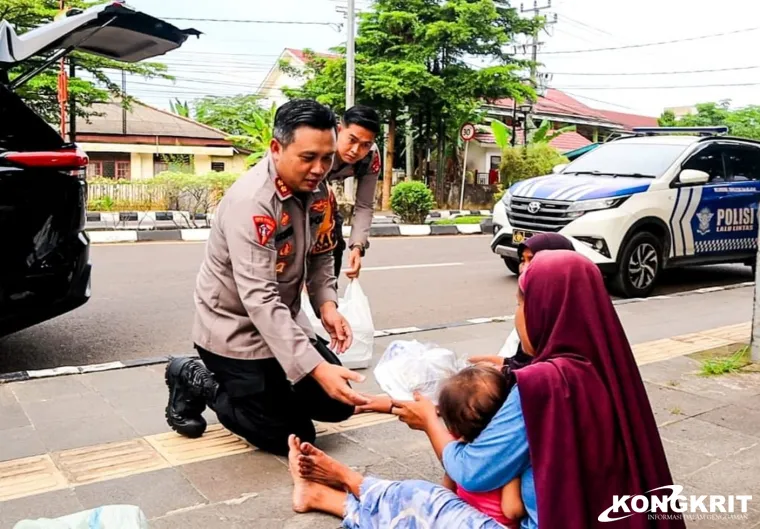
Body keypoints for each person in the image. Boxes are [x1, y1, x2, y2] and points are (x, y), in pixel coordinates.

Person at [287, 251, 684, 528]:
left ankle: (336, 492)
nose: (517, 316)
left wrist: (429, 422)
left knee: (427, 502)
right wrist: (394, 404)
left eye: (522, 303)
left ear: (547, 308)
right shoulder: (608, 368)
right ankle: (341, 486)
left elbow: (471, 471)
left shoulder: (546, 384)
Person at [164, 99, 370, 457]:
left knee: (340, 404)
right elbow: (259, 298)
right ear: (276, 148)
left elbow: (322, 252)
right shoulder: (252, 203)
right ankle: (196, 376)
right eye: (308, 157)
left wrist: (327, 306)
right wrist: (316, 368)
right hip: (235, 333)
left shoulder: (318, 190)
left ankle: (270, 388)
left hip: (283, 324)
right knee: (290, 437)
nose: (320, 169)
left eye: (326, 157)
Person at [470, 232, 575, 368]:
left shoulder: (568, 319)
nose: (524, 268)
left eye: (532, 260)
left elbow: (537, 364)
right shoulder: (534, 304)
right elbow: (522, 359)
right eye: (522, 260)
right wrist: (503, 364)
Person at [438, 366, 524, 528]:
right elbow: (512, 510)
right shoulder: (507, 458)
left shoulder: (457, 452)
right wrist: (517, 474)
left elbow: (446, 492)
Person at [327, 105, 382, 280]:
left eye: (365, 145)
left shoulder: (371, 158)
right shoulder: (320, 142)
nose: (355, 150)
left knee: (334, 245)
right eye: (352, 140)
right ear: (339, 130)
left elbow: (364, 205)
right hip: (299, 196)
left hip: (325, 201)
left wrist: (358, 246)